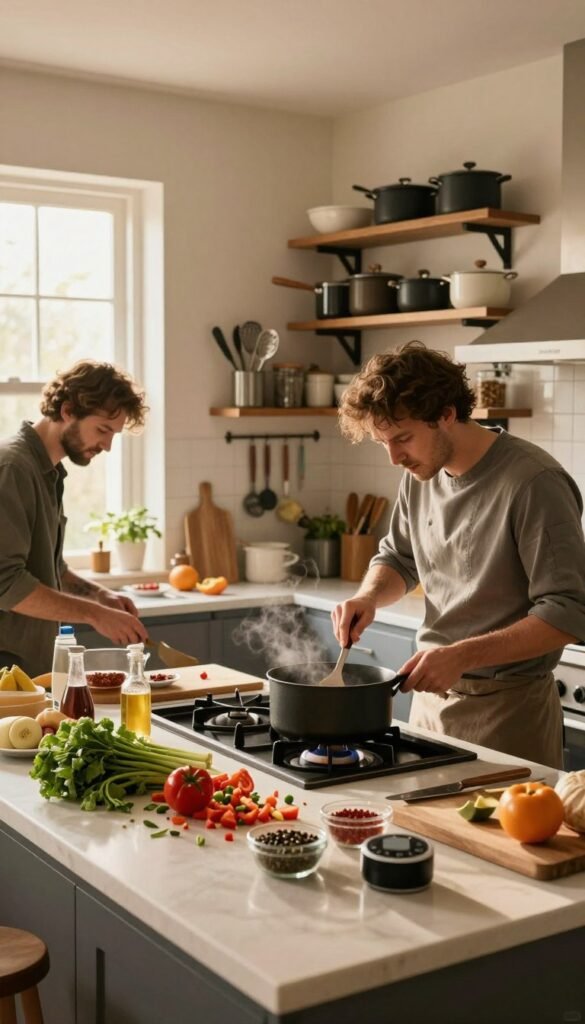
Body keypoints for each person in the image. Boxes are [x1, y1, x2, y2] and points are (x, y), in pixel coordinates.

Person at [332, 341, 585, 769]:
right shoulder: (421, 473)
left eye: (403, 438)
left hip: (508, 715)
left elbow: (568, 611)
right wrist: (368, 598)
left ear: (446, 414)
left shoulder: (533, 482)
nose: (394, 457)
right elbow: (398, 558)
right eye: (382, 444)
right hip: (429, 709)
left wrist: (463, 654)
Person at [0, 360, 150, 678]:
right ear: (68, 411)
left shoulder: (48, 472)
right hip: (6, 677)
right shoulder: (13, 468)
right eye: (103, 430)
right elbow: (6, 582)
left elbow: (50, 570)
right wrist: (96, 615)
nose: (107, 446)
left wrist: (100, 595)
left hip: (28, 672)